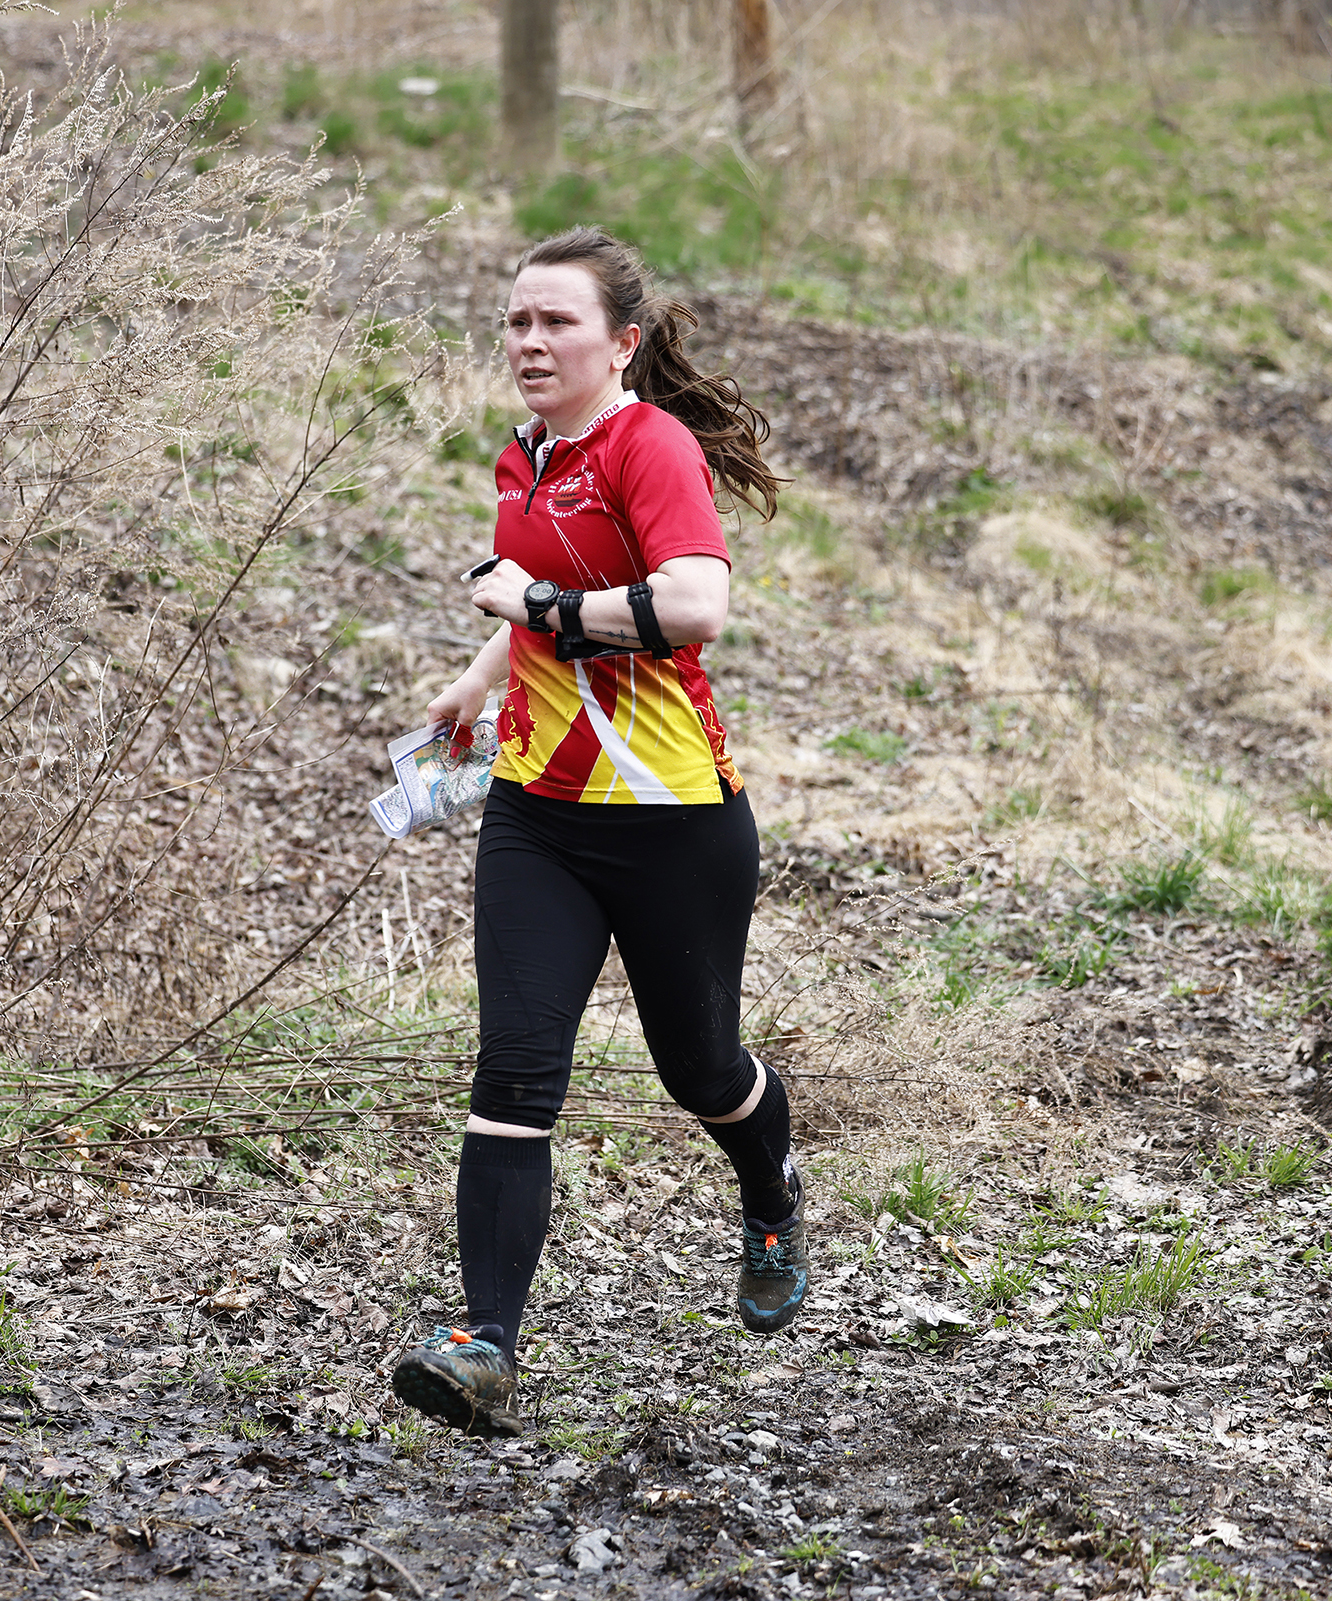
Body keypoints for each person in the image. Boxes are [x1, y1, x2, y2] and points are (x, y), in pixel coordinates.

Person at [387, 227, 801, 1438]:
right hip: (539, 816)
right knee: (515, 1067)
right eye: (516, 320)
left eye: (555, 321)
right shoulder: (525, 454)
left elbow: (693, 603)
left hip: (674, 820)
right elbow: (533, 581)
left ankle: (769, 1191)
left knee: (701, 1070)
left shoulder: (651, 445)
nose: (528, 340)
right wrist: (482, 671)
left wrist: (542, 608)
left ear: (620, 340)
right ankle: (485, 1341)